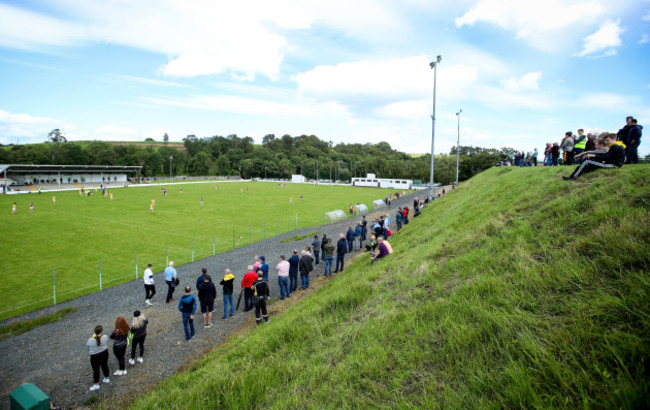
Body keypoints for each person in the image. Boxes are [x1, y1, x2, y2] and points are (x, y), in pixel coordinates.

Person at [87, 325, 110, 391]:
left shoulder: (90, 340)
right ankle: (106, 378)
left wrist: (93, 337)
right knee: (105, 366)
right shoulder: (105, 337)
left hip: (94, 356)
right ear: (101, 331)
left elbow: (88, 344)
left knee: (96, 370)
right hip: (104, 353)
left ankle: (96, 384)